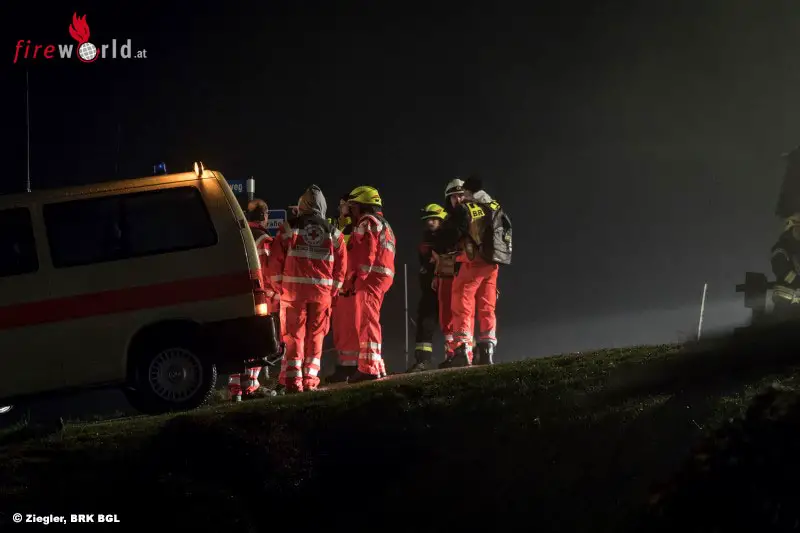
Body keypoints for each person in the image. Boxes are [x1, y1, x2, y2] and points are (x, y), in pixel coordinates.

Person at [268, 186, 346, 393]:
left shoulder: (288, 228)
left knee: (294, 336)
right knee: (316, 336)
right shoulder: (334, 234)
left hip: (293, 293)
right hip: (322, 295)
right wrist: (333, 292)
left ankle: (294, 382)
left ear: (302, 205)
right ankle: (311, 380)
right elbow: (341, 268)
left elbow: (275, 263)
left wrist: (279, 287)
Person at [439, 176, 509, 367]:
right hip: (492, 262)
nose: (457, 200)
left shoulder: (465, 209)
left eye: (458, 196)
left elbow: (450, 235)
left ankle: (463, 350)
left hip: (473, 262)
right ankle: (487, 352)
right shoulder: (490, 205)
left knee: (461, 301)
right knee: (487, 307)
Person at [340, 185, 396, 383]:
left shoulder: (367, 221)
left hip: (370, 278)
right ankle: (376, 365)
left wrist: (357, 277)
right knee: (369, 321)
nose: (351, 212)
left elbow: (366, 251)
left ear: (360, 206)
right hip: (380, 276)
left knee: (367, 322)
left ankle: (369, 369)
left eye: (352, 207)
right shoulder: (383, 222)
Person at [228, 198, 280, 401]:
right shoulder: (263, 239)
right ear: (265, 216)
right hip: (261, 296)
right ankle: (250, 386)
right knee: (260, 340)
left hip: (238, 296)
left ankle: (235, 387)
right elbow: (270, 271)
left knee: (239, 339)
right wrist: (276, 294)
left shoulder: (237, 236)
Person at [408, 203, 448, 372]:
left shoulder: (448, 239)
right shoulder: (426, 241)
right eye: (428, 220)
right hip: (428, 290)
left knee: (452, 324)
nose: (430, 222)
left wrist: (437, 276)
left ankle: (463, 354)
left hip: (445, 287)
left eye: (434, 219)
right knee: (424, 323)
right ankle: (422, 360)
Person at [326, 196, 361, 383]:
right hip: (337, 284)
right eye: (340, 204)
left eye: (345, 204)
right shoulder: (334, 225)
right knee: (339, 328)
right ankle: (343, 366)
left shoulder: (355, 226)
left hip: (350, 284)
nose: (341, 207)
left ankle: (356, 366)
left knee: (353, 326)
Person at [771, 214, 800, 319]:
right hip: (784, 303)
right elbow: (780, 269)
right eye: (798, 228)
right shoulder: (781, 248)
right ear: (791, 229)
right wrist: (797, 280)